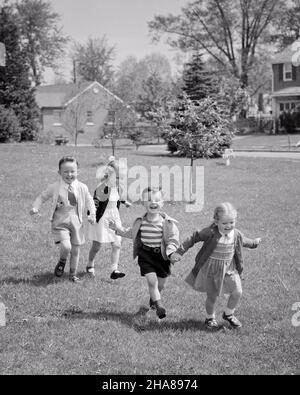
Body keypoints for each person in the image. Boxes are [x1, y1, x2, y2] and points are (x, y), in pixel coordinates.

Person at [172, 202, 261, 329]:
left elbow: (245, 241)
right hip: (212, 270)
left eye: (231, 222)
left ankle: (228, 314)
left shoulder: (236, 234)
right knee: (212, 296)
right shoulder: (210, 232)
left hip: (230, 269)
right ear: (216, 221)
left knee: (237, 291)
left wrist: (255, 243)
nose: (228, 226)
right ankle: (210, 318)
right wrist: (179, 252)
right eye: (224, 223)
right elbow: (193, 237)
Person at [109, 186, 180, 320]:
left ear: (162, 203)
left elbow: (173, 239)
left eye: (157, 200)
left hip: (162, 257)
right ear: (143, 203)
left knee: (161, 284)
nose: (153, 202)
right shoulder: (141, 222)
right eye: (148, 200)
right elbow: (131, 232)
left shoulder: (167, 223)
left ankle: (153, 302)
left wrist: (172, 251)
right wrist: (117, 229)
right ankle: (159, 306)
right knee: (152, 281)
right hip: (146, 256)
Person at [30, 156, 96, 283]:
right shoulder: (55, 187)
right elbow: (42, 197)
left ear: (78, 172)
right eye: (65, 171)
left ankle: (73, 275)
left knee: (76, 250)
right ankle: (62, 260)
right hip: (60, 221)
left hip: (77, 221)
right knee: (66, 246)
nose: (69, 174)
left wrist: (92, 214)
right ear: (59, 172)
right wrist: (35, 207)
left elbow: (89, 201)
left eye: (72, 171)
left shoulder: (82, 187)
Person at [86, 156, 131, 280]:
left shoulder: (117, 186)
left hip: (114, 216)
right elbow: (94, 203)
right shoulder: (101, 188)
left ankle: (114, 270)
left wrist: (124, 202)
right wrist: (91, 216)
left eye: (121, 178)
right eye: (117, 177)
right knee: (97, 246)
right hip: (101, 217)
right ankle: (90, 264)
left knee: (117, 243)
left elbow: (116, 197)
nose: (119, 180)